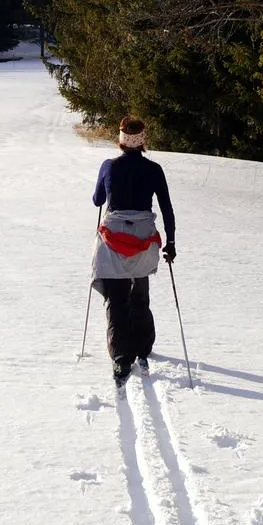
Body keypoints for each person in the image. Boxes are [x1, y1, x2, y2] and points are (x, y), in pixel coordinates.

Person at [91, 115, 176, 386]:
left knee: (116, 299)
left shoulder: (109, 166)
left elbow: (98, 201)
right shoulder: (154, 170)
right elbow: (166, 208)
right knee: (140, 294)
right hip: (143, 242)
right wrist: (171, 243)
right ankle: (142, 348)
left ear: (121, 140)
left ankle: (120, 357)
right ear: (142, 141)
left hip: (113, 241)